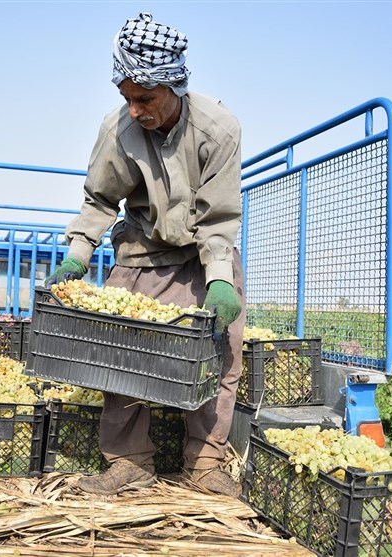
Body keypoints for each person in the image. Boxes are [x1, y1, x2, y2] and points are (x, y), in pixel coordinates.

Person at [46, 13, 246, 498]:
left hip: (203, 253)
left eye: (145, 98)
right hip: (141, 248)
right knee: (120, 354)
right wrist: (77, 255)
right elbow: (98, 201)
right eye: (126, 98)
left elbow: (218, 216)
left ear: (173, 85)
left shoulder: (218, 129)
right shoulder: (117, 131)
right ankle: (129, 462)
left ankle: (205, 464)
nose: (135, 109)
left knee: (219, 354)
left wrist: (219, 278)